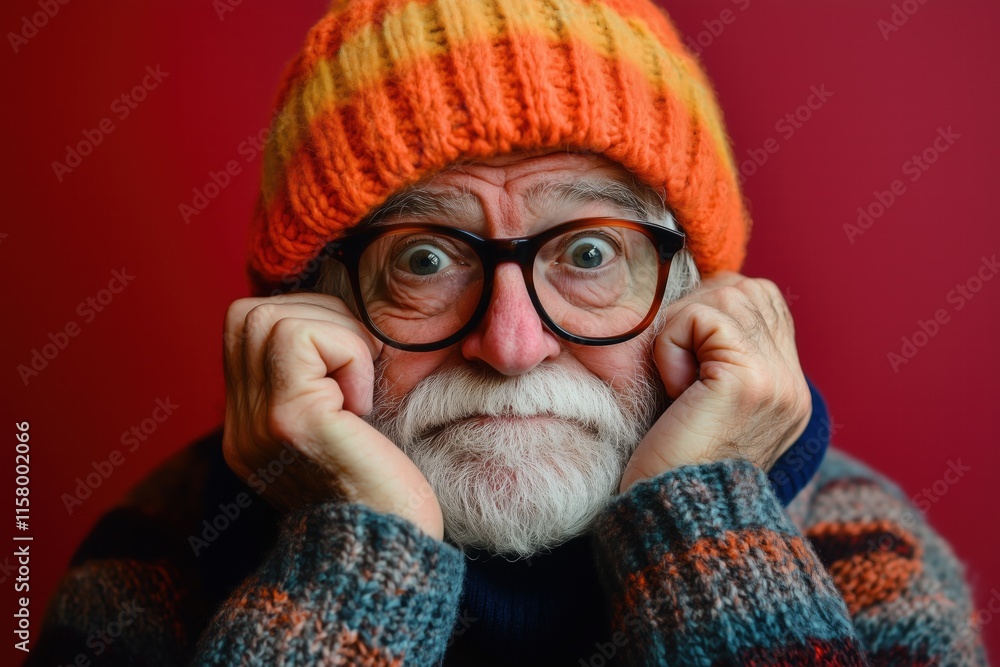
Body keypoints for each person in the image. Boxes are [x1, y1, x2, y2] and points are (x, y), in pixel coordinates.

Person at [31, 1, 987, 665]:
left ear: (702, 295)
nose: (512, 342)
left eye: (589, 254)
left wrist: (705, 522)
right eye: (422, 260)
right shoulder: (156, 554)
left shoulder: (859, 543)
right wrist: (362, 553)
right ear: (307, 308)